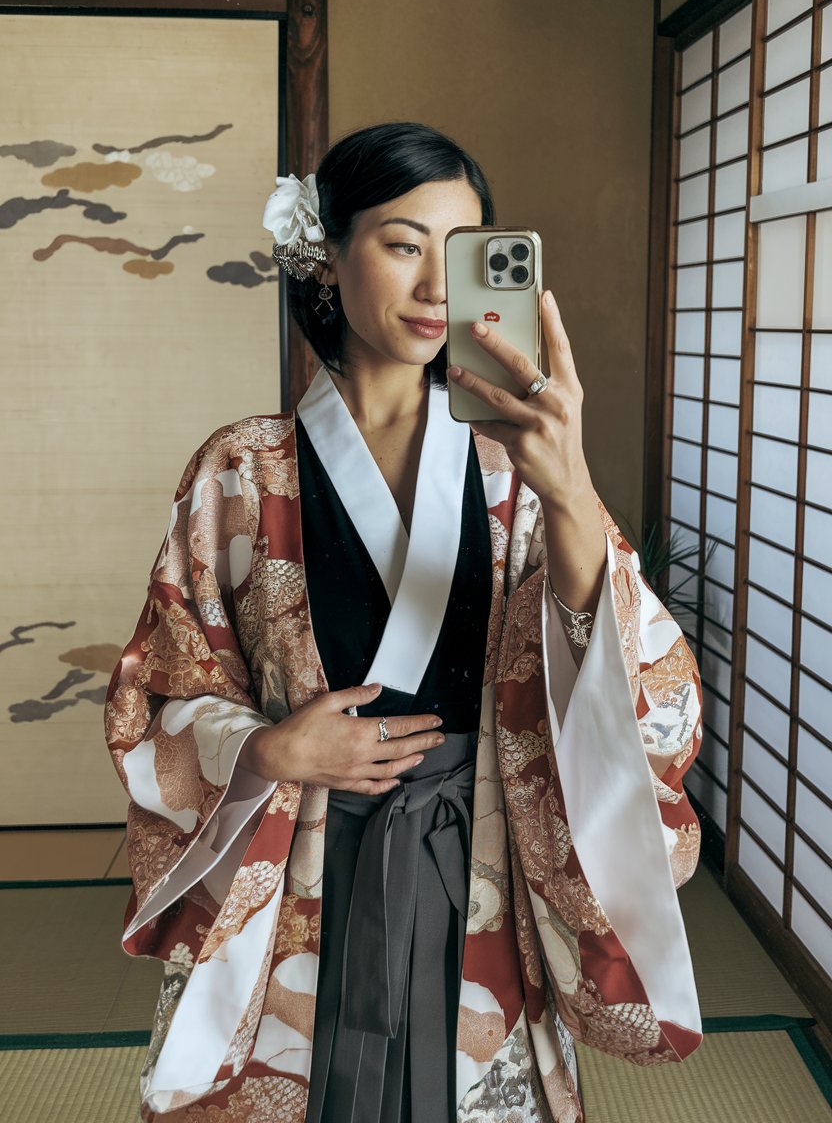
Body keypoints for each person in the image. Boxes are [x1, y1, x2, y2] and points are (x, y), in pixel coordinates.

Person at [104, 121, 704, 1123]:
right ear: (328, 257)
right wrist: (267, 750)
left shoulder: (515, 464)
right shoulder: (240, 468)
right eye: (401, 244)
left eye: (461, 252)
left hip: (477, 859)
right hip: (301, 862)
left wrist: (569, 490)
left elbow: (627, 685)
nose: (436, 287)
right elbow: (165, 686)